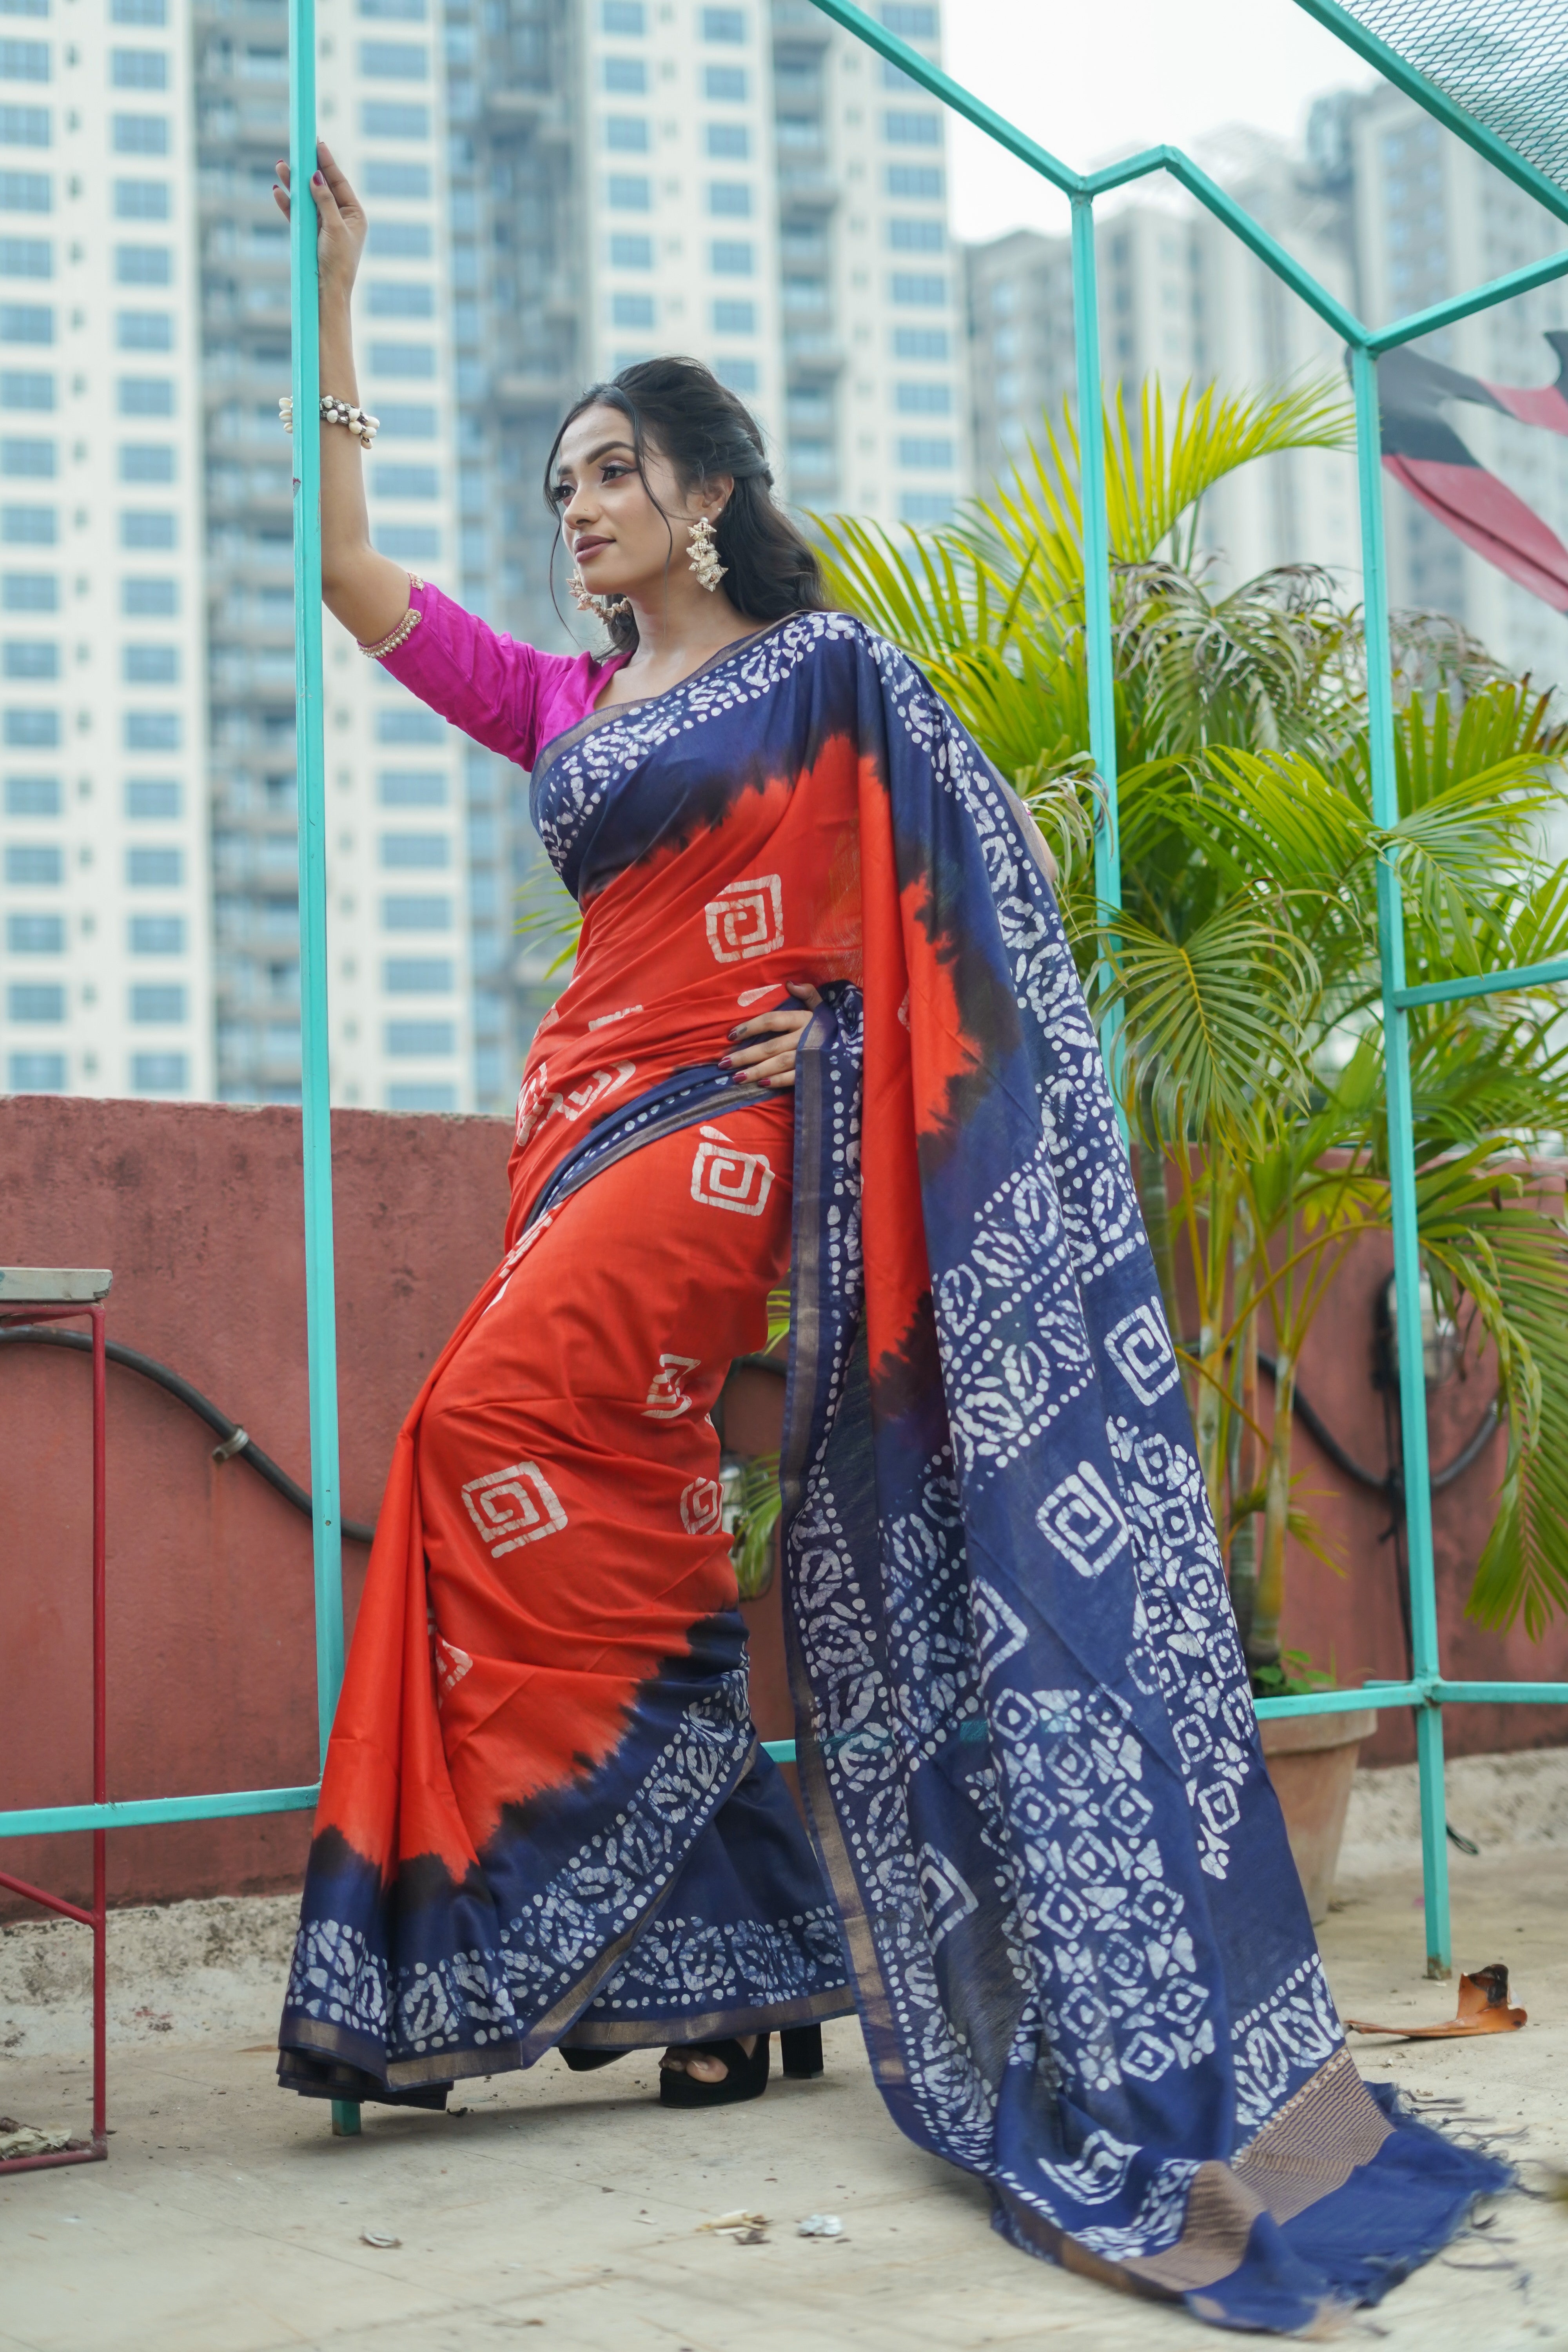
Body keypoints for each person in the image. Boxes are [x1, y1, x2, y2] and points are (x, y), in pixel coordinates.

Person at [273, 145, 1506, 2329]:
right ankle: (730, 1953)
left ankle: (681, 1918)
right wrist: (344, 298)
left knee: (484, 1420)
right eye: (561, 479)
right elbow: (356, 578)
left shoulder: (833, 672)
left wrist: (836, 1024)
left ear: (710, 488)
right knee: (585, 1472)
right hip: (578, 1126)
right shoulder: (568, 709)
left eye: (616, 469)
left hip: (726, 1145)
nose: (580, 507)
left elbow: (981, 894)